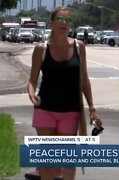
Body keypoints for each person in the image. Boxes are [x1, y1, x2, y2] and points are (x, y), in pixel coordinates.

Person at [27, 6, 101, 180]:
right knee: (46, 163)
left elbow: (84, 79)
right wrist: (31, 94)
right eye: (60, 19)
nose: (64, 22)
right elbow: (31, 80)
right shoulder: (41, 48)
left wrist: (92, 107)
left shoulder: (79, 46)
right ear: (51, 23)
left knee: (68, 161)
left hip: (70, 110)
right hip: (44, 109)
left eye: (67, 19)